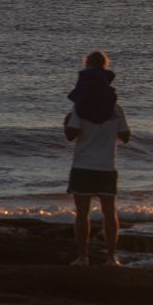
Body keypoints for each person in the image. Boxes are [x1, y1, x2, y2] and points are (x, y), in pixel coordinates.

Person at [63, 50, 132, 266]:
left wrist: (66, 122)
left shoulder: (80, 108)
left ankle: (83, 257)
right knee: (109, 213)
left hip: (83, 165)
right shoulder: (116, 109)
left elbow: (70, 135)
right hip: (106, 166)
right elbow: (125, 137)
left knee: (82, 214)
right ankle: (111, 257)